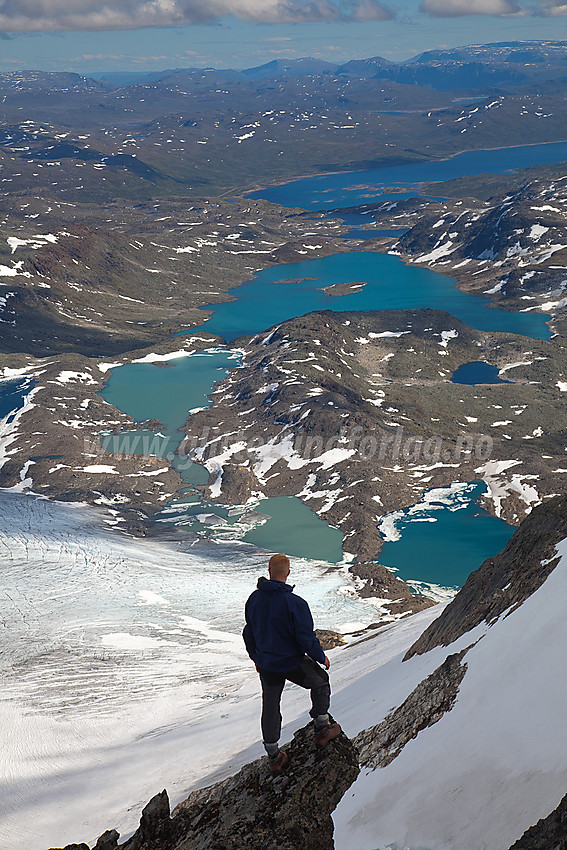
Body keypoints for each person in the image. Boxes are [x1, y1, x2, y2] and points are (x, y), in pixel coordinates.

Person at [243, 552, 341, 774]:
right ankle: (322, 728)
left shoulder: (254, 600)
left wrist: (256, 658)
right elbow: (305, 638)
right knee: (321, 682)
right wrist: (320, 656)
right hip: (292, 662)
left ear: (268, 572)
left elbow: (249, 633)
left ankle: (274, 755)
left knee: (270, 705)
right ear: (288, 573)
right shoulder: (295, 603)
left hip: (267, 663)